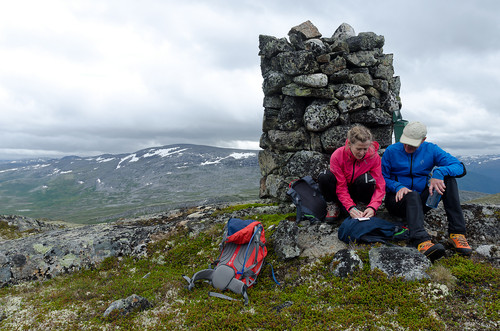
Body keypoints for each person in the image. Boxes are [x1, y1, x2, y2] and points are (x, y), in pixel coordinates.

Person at [381, 121, 471, 261]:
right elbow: (382, 178)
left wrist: (439, 173)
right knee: (412, 194)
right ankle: (421, 241)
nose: (407, 147)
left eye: (412, 144)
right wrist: (398, 186)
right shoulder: (391, 151)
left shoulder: (431, 150)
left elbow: (459, 167)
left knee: (449, 180)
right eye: (405, 142)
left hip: (421, 202)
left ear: (423, 140)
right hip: (397, 202)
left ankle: (457, 234)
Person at [318, 125, 385, 222]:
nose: (362, 153)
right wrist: (350, 207)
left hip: (358, 191)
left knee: (367, 179)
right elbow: (341, 186)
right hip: (340, 192)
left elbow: (380, 185)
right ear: (349, 144)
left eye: (365, 149)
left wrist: (373, 207)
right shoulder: (338, 155)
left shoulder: (374, 157)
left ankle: (362, 206)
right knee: (324, 176)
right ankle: (333, 205)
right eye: (358, 149)